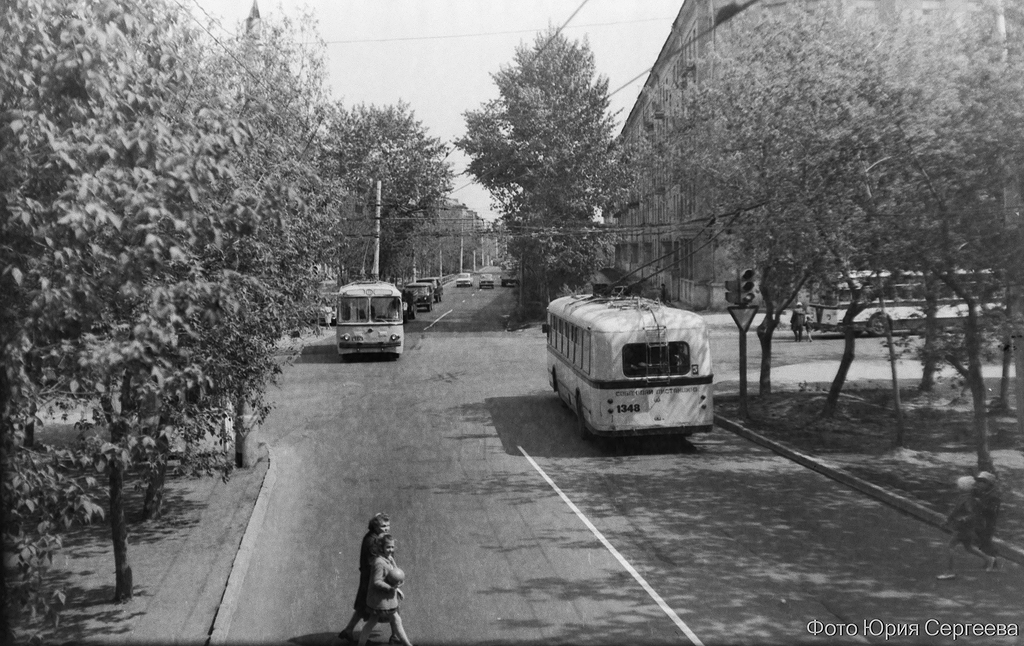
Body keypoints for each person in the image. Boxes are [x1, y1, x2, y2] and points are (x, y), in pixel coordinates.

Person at [339, 513, 395, 643]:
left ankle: (348, 630)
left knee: (363, 606)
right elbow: (375, 563)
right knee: (392, 607)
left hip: (369, 578)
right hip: (374, 579)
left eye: (388, 525)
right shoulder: (374, 541)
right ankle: (396, 636)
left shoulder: (373, 537)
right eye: (383, 526)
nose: (386, 528)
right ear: (376, 526)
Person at [358, 534, 414, 646]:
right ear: (381, 547)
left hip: (386, 599)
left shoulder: (389, 559)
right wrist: (391, 588)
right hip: (380, 601)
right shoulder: (379, 563)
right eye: (388, 547)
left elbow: (395, 573)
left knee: (392, 620)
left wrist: (398, 588)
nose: (391, 550)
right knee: (374, 622)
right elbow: (376, 581)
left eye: (392, 547)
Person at [937, 476, 995, 579]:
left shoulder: (967, 499)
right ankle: (989, 559)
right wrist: (948, 520)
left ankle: (949, 571)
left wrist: (962, 519)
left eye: (959, 486)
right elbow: (955, 511)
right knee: (969, 547)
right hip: (965, 528)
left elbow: (971, 514)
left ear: (963, 487)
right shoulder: (964, 497)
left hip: (963, 528)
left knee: (950, 546)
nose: (958, 487)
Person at [973, 471, 1001, 568]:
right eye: (979, 481)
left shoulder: (993, 496)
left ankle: (993, 559)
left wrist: (980, 504)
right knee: (982, 540)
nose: (979, 484)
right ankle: (990, 559)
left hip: (988, 522)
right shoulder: (983, 493)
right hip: (981, 521)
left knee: (986, 540)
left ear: (989, 483)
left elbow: (992, 510)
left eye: (982, 482)